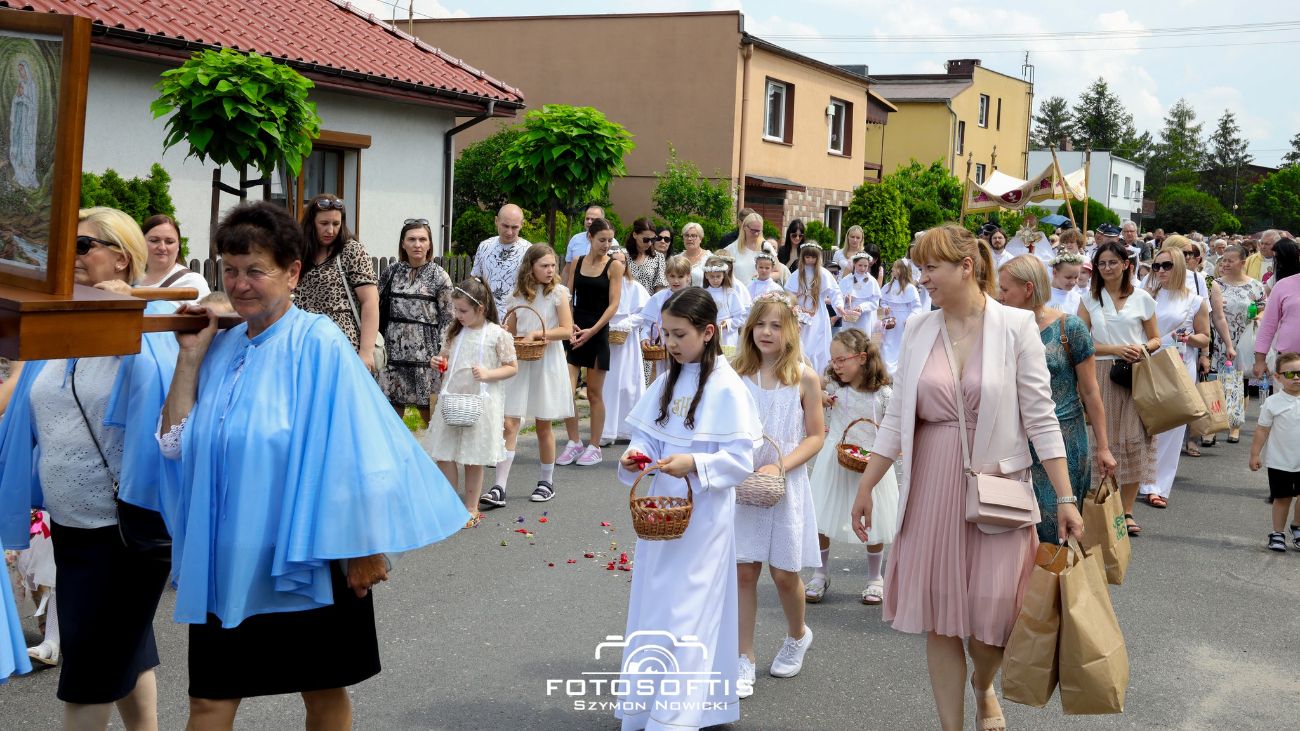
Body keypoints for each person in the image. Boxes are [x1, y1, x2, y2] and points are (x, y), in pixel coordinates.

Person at [156, 201, 469, 729]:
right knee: (209, 699)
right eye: (230, 271)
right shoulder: (219, 346)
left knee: (322, 693)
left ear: (293, 272)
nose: (240, 284)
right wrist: (189, 358)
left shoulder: (318, 342)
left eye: (256, 270)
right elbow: (173, 444)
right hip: (226, 557)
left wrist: (365, 548)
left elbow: (361, 447)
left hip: (308, 552)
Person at [849, 223, 1081, 731]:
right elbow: (896, 419)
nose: (922, 277)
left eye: (931, 267)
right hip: (931, 483)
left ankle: (984, 684)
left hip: (998, 487)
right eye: (920, 267)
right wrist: (868, 483)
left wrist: (1065, 497)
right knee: (941, 619)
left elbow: (1041, 417)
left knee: (995, 619)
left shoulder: (1016, 327)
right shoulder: (917, 329)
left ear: (966, 267)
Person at [0, 207, 176, 727]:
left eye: (82, 246)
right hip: (71, 529)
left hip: (124, 533)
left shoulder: (148, 322)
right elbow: (23, 409)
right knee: (125, 649)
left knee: (88, 673)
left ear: (121, 259)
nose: (68, 257)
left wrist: (128, 320)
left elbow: (163, 394)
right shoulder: (60, 324)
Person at [615, 288, 761, 731]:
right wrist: (636, 454)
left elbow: (740, 461)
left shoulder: (728, 387)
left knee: (689, 612)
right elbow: (649, 436)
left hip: (704, 518)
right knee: (654, 606)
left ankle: (674, 717)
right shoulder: (666, 380)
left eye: (680, 334)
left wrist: (694, 463)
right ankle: (646, 709)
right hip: (662, 513)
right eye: (666, 333)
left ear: (708, 331)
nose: (671, 343)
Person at [730, 292, 825, 697]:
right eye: (760, 324)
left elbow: (817, 435)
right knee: (743, 570)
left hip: (785, 482)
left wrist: (781, 465)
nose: (766, 332)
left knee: (785, 574)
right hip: (743, 482)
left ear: (791, 331)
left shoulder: (803, 376)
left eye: (776, 325)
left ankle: (797, 634)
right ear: (749, 328)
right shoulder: (734, 373)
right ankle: (743, 657)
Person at [998, 255, 1117, 543]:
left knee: (1056, 529)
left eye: (1004, 290)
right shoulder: (1000, 328)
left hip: (1064, 442)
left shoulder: (1070, 328)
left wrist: (1103, 447)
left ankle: (1055, 587)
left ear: (1028, 289)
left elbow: (1090, 392)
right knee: (1012, 529)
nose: (998, 297)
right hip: (1012, 442)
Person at [806, 329, 898, 605]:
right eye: (833, 360)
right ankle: (820, 572)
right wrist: (820, 396)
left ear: (861, 358)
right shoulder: (834, 389)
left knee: (875, 520)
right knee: (821, 516)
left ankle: (874, 578)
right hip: (835, 460)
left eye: (842, 359)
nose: (836, 365)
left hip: (871, 462)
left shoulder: (882, 394)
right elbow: (806, 385)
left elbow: (892, 429)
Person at [1077, 241, 1160, 536]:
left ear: (1126, 264)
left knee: (1136, 439)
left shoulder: (1143, 298)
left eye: (1113, 262)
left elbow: (1156, 339)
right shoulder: (1089, 299)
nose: (1107, 268)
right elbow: (1082, 341)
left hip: (1135, 374)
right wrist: (1115, 348)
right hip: (1101, 372)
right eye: (1102, 263)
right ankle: (1105, 508)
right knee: (1106, 442)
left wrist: (1141, 348)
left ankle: (1126, 511)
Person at [423, 277, 518, 528]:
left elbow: (511, 367)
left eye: (463, 310)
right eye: (455, 309)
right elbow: (447, 360)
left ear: (480, 309)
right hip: (453, 398)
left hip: (482, 402)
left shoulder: (498, 335)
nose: (458, 314)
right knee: (444, 453)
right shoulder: (454, 332)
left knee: (473, 457)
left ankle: (471, 506)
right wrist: (438, 362)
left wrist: (488, 374)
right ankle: (451, 502)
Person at [498, 244, 574, 507]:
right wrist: (503, 332)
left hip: (547, 361)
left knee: (543, 423)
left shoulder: (559, 294)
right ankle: (499, 485)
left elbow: (566, 330)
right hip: (522, 360)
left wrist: (538, 334)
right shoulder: (517, 296)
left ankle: (546, 481)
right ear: (530, 267)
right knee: (510, 422)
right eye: (544, 265)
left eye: (552, 265)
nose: (550, 270)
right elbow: (510, 328)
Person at [1139, 246, 1210, 509]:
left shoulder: (1195, 300)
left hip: (1179, 365)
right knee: (1141, 424)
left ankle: (1158, 486)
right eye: (1156, 266)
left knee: (1171, 427)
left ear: (1179, 266)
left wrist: (1190, 338)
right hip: (1147, 362)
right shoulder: (1146, 295)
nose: (1160, 271)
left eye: (1166, 265)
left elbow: (1205, 337)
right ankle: (1139, 479)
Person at [558, 218, 624, 467]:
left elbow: (614, 304)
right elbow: (567, 296)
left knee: (595, 393)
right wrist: (571, 324)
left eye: (610, 240)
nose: (606, 245)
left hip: (597, 332)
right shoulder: (577, 262)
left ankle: (594, 445)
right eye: (602, 240)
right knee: (566, 390)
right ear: (590, 238)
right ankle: (574, 441)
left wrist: (592, 330)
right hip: (575, 331)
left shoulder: (614, 266)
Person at [376, 218, 453, 424]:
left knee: (431, 418)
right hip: (392, 356)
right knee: (391, 418)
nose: (417, 244)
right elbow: (374, 306)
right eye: (411, 239)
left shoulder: (440, 276)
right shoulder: (391, 272)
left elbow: (448, 318)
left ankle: (433, 457)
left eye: (422, 239)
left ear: (429, 244)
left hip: (426, 359)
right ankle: (395, 456)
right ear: (403, 243)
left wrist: (443, 353)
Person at [294, 194, 381, 371]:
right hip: (303, 345)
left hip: (342, 347)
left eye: (336, 224)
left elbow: (370, 301)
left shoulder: (351, 250)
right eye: (324, 223)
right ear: (311, 223)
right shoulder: (298, 252)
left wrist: (366, 352)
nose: (331, 230)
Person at [1213, 245, 1265, 443]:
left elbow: (1263, 309)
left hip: (1244, 340)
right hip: (1220, 339)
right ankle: (1215, 424)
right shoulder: (1216, 284)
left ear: (1243, 263)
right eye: (1223, 260)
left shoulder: (1255, 286)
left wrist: (1257, 318)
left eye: (1230, 260)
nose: (1225, 264)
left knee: (1240, 381)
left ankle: (1235, 425)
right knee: (1219, 382)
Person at [1249, 352, 1300, 552]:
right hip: (1280, 462)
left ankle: (1297, 526)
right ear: (1277, 377)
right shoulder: (1273, 402)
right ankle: (1277, 532)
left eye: (1299, 373)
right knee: (1282, 499)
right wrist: (1255, 454)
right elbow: (1262, 430)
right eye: (1289, 374)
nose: (1296, 377)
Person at [600, 247, 649, 446]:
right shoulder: (603, 285)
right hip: (605, 336)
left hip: (626, 340)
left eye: (623, 262)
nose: (619, 266)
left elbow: (645, 311)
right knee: (607, 384)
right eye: (615, 262)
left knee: (628, 385)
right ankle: (606, 429)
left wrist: (628, 324)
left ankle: (628, 429)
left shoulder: (634, 286)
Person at [633, 255, 693, 384]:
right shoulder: (659, 298)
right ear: (666, 276)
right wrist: (645, 337)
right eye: (672, 276)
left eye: (680, 276)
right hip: (665, 348)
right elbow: (649, 324)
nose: (676, 281)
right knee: (665, 379)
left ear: (688, 276)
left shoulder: (694, 297)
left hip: (688, 347)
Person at [786, 242, 843, 374]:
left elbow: (835, 292)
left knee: (818, 345)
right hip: (800, 314)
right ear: (803, 257)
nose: (810, 260)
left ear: (818, 258)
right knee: (802, 344)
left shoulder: (823, 274)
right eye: (807, 257)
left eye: (813, 257)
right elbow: (788, 293)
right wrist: (793, 307)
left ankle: (819, 374)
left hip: (818, 314)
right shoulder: (797, 274)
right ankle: (800, 372)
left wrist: (838, 305)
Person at [472, 203, 532, 315]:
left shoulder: (529, 251)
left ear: (522, 224)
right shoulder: (484, 246)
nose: (509, 232)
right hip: (487, 315)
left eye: (514, 227)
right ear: (496, 221)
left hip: (517, 316)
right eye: (505, 226)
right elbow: (475, 280)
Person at [136, 215, 211, 304]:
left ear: (178, 246)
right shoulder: (129, 278)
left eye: (169, 242)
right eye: (154, 240)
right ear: (141, 242)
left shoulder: (192, 282)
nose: (162, 247)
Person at [1254, 239, 1300, 379]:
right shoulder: (1283, 285)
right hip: (1288, 361)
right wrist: (1260, 360)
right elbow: (1268, 325)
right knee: (1284, 400)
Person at [880, 260, 922, 374]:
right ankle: (886, 370)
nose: (893, 269)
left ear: (902, 270)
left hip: (903, 320)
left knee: (901, 344)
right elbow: (883, 301)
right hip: (890, 319)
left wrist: (910, 318)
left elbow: (916, 307)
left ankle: (899, 371)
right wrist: (885, 308)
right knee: (887, 343)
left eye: (895, 268)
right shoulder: (888, 286)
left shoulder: (910, 288)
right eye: (893, 267)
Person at [703, 255, 750, 354]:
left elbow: (741, 316)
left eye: (718, 276)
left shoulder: (730, 293)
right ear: (706, 275)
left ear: (724, 275)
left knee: (727, 358)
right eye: (712, 277)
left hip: (727, 335)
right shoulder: (704, 294)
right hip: (709, 333)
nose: (715, 280)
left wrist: (728, 323)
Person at [563, 205, 616, 283]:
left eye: (593, 219)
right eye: (587, 218)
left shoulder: (613, 243)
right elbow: (567, 270)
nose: (589, 222)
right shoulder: (575, 239)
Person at [723, 212, 778, 285]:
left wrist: (763, 277)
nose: (756, 234)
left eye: (758, 231)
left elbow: (778, 272)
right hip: (739, 293)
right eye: (753, 230)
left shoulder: (766, 247)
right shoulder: (732, 248)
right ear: (744, 227)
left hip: (761, 293)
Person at [840, 252, 882, 338]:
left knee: (862, 338)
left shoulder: (871, 281)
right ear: (854, 264)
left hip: (864, 317)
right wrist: (845, 299)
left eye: (865, 266)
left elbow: (874, 302)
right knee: (848, 339)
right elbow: (838, 298)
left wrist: (862, 307)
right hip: (849, 315)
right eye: (860, 265)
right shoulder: (847, 280)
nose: (863, 268)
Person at [626, 217, 668, 294]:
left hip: (649, 303)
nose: (649, 243)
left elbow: (660, 287)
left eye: (653, 240)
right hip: (626, 303)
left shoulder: (658, 257)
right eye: (646, 240)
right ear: (635, 235)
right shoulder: (624, 256)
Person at [1047, 251, 1085, 317]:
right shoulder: (1041, 296)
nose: (1073, 282)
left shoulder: (1078, 299)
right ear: (1055, 272)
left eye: (1076, 277)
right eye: (1068, 277)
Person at [680, 222, 710, 286]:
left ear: (701, 239)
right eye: (686, 235)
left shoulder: (709, 258)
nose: (689, 239)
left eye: (693, 236)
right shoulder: (677, 259)